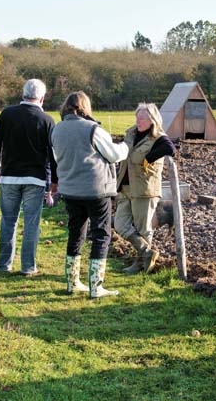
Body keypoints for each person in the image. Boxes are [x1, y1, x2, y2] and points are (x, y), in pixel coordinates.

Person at [50, 91, 128, 298]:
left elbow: (58, 157)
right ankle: (96, 286)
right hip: (96, 190)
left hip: (70, 191)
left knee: (76, 234)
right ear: (85, 107)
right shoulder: (93, 129)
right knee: (101, 235)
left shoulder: (57, 130)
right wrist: (125, 146)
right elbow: (114, 155)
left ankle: (72, 282)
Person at [0, 78, 57, 276]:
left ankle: (4, 264)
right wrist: (54, 181)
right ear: (42, 98)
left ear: (23, 95)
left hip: (9, 177)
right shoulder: (47, 120)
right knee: (31, 224)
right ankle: (28, 266)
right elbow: (53, 154)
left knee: (8, 221)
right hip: (35, 179)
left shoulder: (7, 114)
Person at [115, 103, 176, 274]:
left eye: (143, 118)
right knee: (120, 224)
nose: (138, 120)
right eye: (137, 117)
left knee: (143, 229)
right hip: (125, 187)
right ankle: (147, 253)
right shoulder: (131, 133)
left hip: (144, 190)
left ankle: (140, 264)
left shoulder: (158, 137)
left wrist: (148, 158)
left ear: (152, 120)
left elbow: (170, 149)